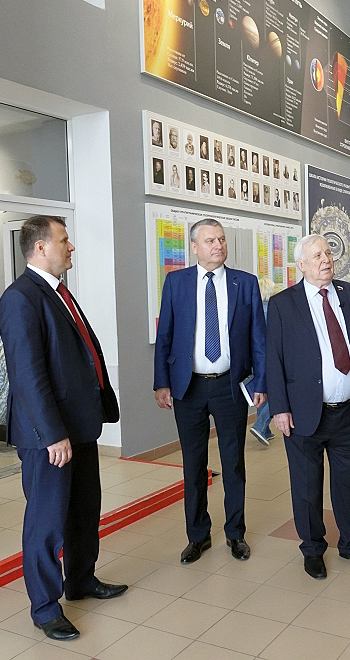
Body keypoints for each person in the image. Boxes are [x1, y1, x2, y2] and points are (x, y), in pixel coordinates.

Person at [0, 216, 127, 642]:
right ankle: (45, 608)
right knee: (47, 521)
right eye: (64, 240)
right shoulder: (20, 298)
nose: (71, 247)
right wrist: (53, 434)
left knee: (85, 510)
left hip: (79, 426)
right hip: (48, 435)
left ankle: (81, 580)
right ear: (40, 248)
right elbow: (27, 375)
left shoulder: (59, 292)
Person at [266, 235, 350, 580]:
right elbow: (273, 359)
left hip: (346, 410)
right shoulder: (283, 304)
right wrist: (279, 408)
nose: (326, 259)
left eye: (328, 252)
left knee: (349, 480)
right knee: (307, 485)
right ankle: (312, 548)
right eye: (317, 255)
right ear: (301, 265)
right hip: (304, 412)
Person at [154, 218, 267, 563]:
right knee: (193, 464)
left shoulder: (245, 283)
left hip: (230, 385)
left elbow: (259, 338)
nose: (218, 245)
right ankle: (198, 535)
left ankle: (235, 534)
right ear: (194, 247)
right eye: (209, 241)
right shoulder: (176, 283)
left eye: (221, 239)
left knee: (233, 462)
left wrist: (261, 382)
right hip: (188, 387)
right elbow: (165, 335)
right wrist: (161, 381)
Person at [249, 277, 276, 446]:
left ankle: (265, 430)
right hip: (271, 358)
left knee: (261, 391)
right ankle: (260, 425)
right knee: (276, 393)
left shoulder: (252, 310)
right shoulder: (273, 310)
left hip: (255, 358)